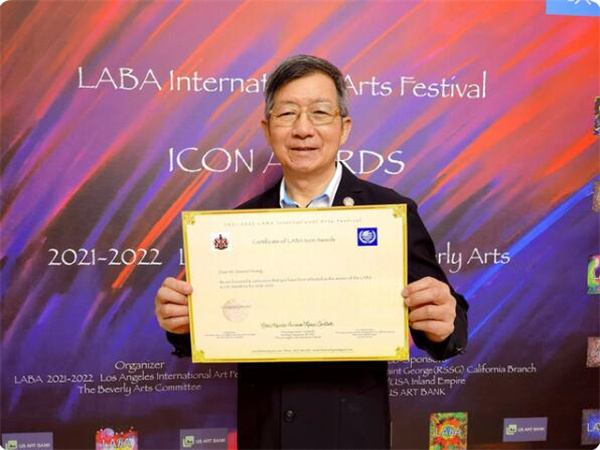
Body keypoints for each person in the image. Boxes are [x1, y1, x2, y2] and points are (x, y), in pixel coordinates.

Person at [155, 55, 468, 449]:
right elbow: (214, 322)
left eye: (320, 112)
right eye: (287, 113)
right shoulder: (237, 226)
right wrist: (182, 324)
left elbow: (449, 325)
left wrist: (444, 322)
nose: (303, 129)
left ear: (344, 128)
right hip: (267, 435)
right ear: (268, 129)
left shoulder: (391, 213)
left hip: (351, 437)